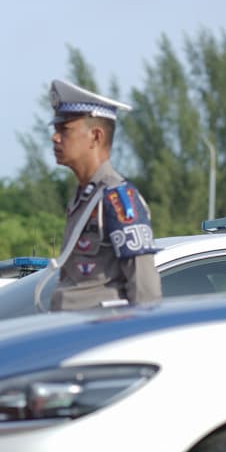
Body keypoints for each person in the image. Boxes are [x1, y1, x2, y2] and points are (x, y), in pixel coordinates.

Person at [47, 79, 161, 310]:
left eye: (64, 129)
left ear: (96, 137)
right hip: (72, 324)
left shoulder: (117, 197)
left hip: (99, 325)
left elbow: (144, 287)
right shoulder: (85, 196)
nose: (55, 137)